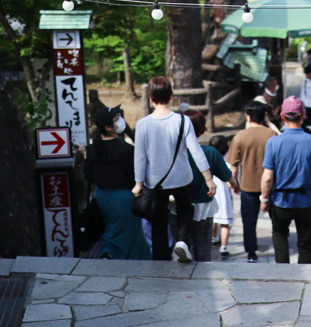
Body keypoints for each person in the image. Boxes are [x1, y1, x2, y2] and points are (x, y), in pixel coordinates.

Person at [133, 76, 215, 262]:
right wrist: (208, 179)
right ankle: (182, 242)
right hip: (182, 178)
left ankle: (161, 259)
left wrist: (138, 183)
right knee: (185, 209)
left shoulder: (142, 124)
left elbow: (140, 158)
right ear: (171, 97)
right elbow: (196, 151)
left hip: (155, 181)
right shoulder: (183, 121)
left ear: (150, 99)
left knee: (158, 223)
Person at [261, 97, 311, 264]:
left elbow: (268, 177)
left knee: (279, 234)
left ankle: (283, 273)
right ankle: (305, 275)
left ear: (282, 117)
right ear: (303, 116)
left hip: (281, 199)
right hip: (307, 199)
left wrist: (264, 198)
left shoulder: (273, 142)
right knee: (306, 244)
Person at [83, 106, 152, 260]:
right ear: (108, 127)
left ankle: (107, 250)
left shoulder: (92, 149)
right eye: (116, 119)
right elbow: (134, 176)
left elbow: (88, 175)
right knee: (132, 232)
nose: (120, 121)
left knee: (110, 228)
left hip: (102, 195)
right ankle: (136, 260)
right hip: (124, 197)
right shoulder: (127, 150)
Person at [180, 110, 239, 262]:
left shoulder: (174, 153)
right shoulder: (210, 152)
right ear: (201, 130)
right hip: (203, 207)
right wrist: (236, 185)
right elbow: (228, 177)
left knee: (181, 243)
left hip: (177, 206)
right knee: (202, 249)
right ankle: (201, 280)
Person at [226, 101, 276, 262]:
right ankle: (280, 245)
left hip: (247, 185)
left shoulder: (240, 136)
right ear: (264, 116)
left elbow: (233, 165)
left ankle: (251, 252)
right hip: (270, 185)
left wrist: (233, 183)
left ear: (248, 116)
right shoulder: (271, 135)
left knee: (249, 221)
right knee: (276, 219)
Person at [209, 135, 235, 259]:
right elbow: (230, 182)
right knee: (224, 222)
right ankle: (224, 248)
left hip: (211, 192)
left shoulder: (207, 158)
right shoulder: (227, 161)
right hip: (223, 194)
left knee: (213, 216)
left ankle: (214, 238)